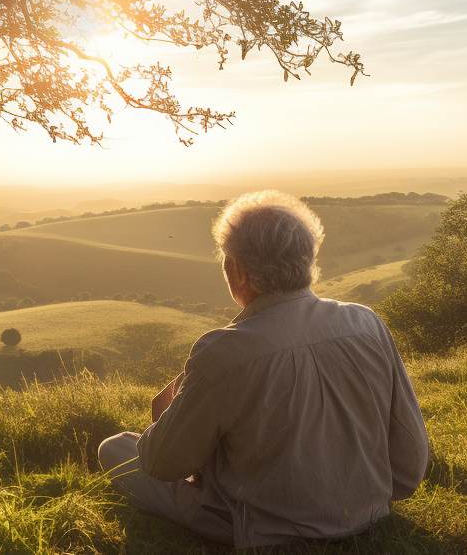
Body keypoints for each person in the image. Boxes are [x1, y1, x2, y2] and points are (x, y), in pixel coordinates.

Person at [98, 191, 429, 548]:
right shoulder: (367, 322)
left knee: (115, 448)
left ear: (237, 270)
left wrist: (164, 421)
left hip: (264, 529)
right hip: (370, 511)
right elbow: (410, 456)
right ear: (308, 259)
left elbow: (162, 464)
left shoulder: (224, 350)